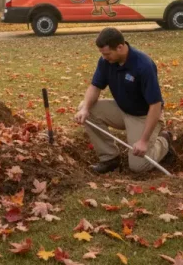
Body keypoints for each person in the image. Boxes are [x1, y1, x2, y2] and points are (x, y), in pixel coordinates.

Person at [74, 27, 176, 174]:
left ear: (120, 47)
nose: (104, 58)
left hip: (144, 116)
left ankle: (164, 140)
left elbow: (155, 105)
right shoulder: (105, 61)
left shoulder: (143, 65)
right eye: (102, 54)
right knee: (86, 108)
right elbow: (95, 86)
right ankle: (109, 158)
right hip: (123, 109)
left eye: (107, 54)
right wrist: (84, 110)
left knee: (138, 166)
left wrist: (144, 141)